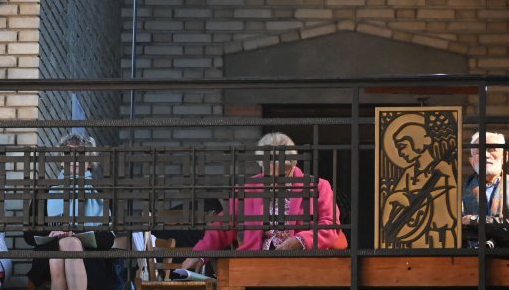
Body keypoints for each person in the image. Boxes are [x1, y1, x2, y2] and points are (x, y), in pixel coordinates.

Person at [179, 132, 347, 273]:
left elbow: (329, 225)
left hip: (304, 264)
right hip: (257, 263)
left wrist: (301, 241)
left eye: (281, 175)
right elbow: (224, 226)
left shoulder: (318, 186)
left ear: (294, 163)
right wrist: (200, 254)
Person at [24, 133, 119, 290]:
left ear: (90, 163)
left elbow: (108, 240)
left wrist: (77, 234)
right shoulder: (44, 192)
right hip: (50, 249)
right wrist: (52, 233)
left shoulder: (102, 194)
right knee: (62, 251)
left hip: (90, 257)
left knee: (66, 250)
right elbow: (29, 235)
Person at [379, 114, 458, 247]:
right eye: (398, 148)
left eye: (403, 146)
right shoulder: (409, 173)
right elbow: (394, 203)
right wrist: (395, 197)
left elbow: (454, 213)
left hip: (441, 239)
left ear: (417, 142)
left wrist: (449, 177)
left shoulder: (444, 169)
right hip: (413, 237)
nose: (400, 153)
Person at [461, 131, 509, 247]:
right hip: (465, 261)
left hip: (506, 263)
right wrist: (507, 226)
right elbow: (453, 231)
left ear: (505, 156)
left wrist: (473, 220)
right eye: (479, 151)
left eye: (492, 149)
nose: (485, 155)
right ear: (471, 161)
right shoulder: (456, 196)